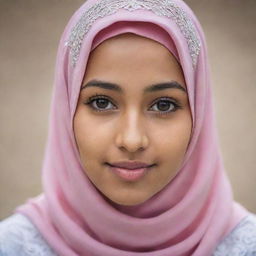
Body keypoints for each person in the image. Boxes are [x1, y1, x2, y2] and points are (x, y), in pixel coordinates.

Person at [0, 0, 255, 255]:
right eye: (102, 102)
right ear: (66, 110)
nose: (132, 140)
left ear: (199, 115)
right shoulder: (12, 246)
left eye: (163, 105)